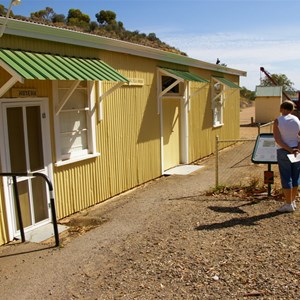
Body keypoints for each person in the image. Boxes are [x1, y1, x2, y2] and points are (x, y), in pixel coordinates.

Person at [273, 100, 300, 212]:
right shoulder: (297, 119)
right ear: (292, 109)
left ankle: (288, 203)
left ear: (281, 108)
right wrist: (297, 148)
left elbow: (278, 139)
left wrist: (289, 149)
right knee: (296, 177)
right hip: (296, 151)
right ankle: (293, 201)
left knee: (286, 177)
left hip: (284, 151)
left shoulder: (278, 121)